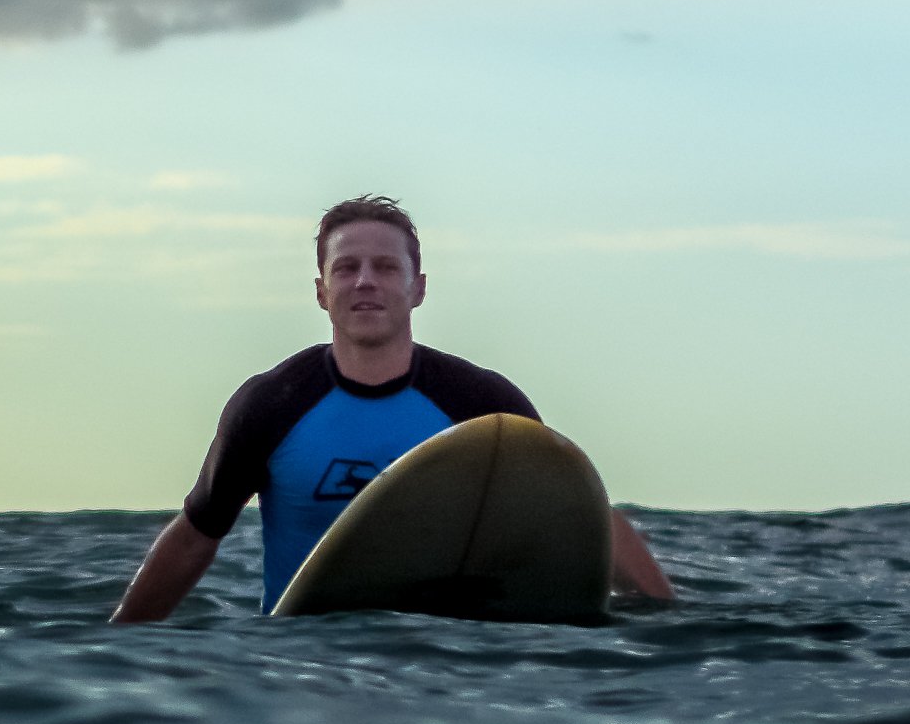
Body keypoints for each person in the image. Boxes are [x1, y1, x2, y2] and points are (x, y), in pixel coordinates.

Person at [112, 194, 671, 621]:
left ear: (419, 287)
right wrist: (115, 649)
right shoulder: (271, 404)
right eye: (345, 268)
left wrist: (672, 625)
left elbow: (574, 513)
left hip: (449, 662)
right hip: (302, 668)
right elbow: (194, 536)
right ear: (321, 291)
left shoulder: (482, 406)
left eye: (385, 267)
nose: (365, 283)